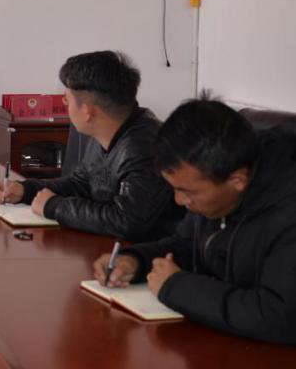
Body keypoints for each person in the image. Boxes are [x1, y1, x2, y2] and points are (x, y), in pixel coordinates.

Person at [93, 99, 296, 344]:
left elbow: (278, 317)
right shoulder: (215, 182)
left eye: (187, 192)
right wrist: (135, 261)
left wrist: (176, 287)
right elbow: (186, 245)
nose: (179, 201)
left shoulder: (287, 212)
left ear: (237, 181)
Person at [0, 51, 182, 241]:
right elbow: (80, 184)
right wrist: (26, 190)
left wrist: (54, 206)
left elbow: (127, 220)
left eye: (67, 100)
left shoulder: (145, 147)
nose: (65, 106)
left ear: (87, 111)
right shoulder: (106, 130)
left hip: (142, 254)